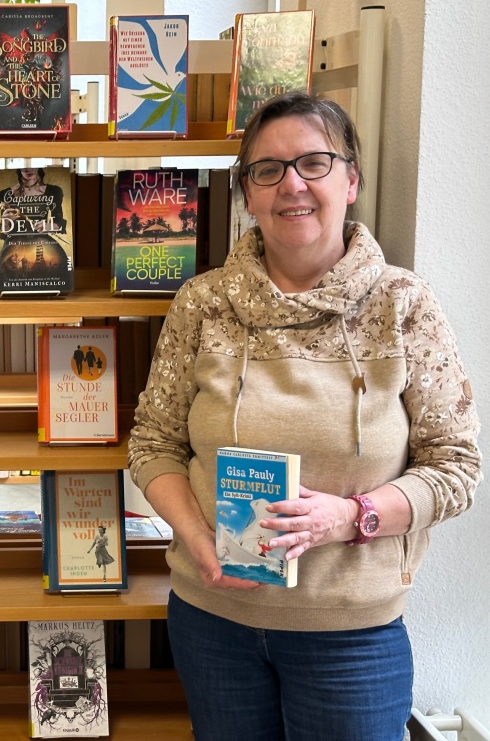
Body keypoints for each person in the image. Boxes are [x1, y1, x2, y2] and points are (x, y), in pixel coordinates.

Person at [128, 92, 481, 741]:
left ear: (351, 180)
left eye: (313, 163)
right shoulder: (202, 304)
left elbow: (456, 468)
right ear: (248, 195)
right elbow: (153, 442)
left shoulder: (403, 305)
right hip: (214, 624)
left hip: (351, 634)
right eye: (268, 170)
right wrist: (197, 540)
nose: (292, 183)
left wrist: (351, 517)